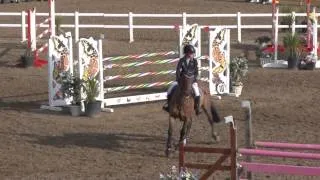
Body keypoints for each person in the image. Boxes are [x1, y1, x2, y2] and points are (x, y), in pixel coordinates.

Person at [163, 44, 202, 115]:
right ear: (186, 53)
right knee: (169, 90)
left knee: (197, 92)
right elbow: (178, 71)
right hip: (182, 80)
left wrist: (194, 79)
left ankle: (197, 108)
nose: (192, 55)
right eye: (191, 53)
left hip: (192, 81)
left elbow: (196, 72)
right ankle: (168, 106)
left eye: (192, 53)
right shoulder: (182, 61)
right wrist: (178, 79)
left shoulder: (195, 61)